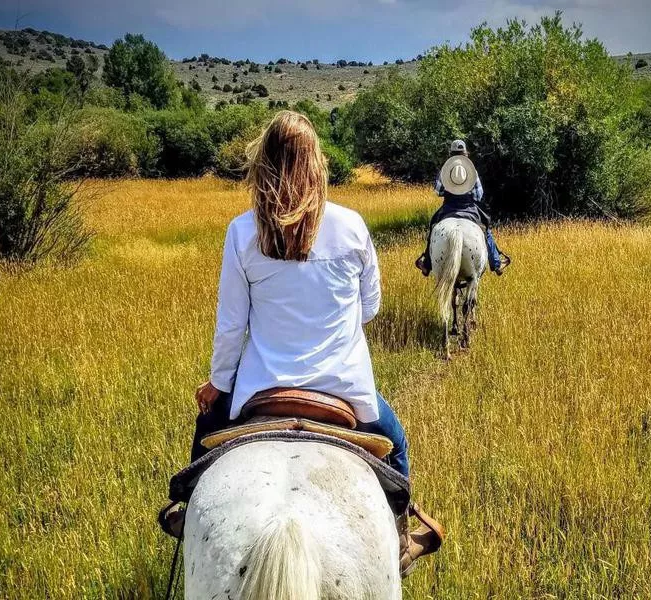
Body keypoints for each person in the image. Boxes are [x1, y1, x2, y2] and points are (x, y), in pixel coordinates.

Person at [159, 111, 442, 572]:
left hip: (260, 388)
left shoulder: (241, 232)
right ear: (317, 163)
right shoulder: (351, 226)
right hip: (345, 392)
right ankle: (400, 542)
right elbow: (370, 308)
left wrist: (217, 383)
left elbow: (232, 325)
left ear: (263, 164)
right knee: (397, 441)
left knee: (202, 438)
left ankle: (189, 516)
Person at [415, 139, 510, 276]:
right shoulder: (472, 171)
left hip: (448, 208)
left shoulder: (445, 170)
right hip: (469, 208)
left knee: (433, 227)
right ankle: (496, 263)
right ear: (465, 153)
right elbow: (479, 194)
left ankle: (427, 264)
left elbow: (438, 191)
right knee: (486, 229)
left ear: (451, 154)